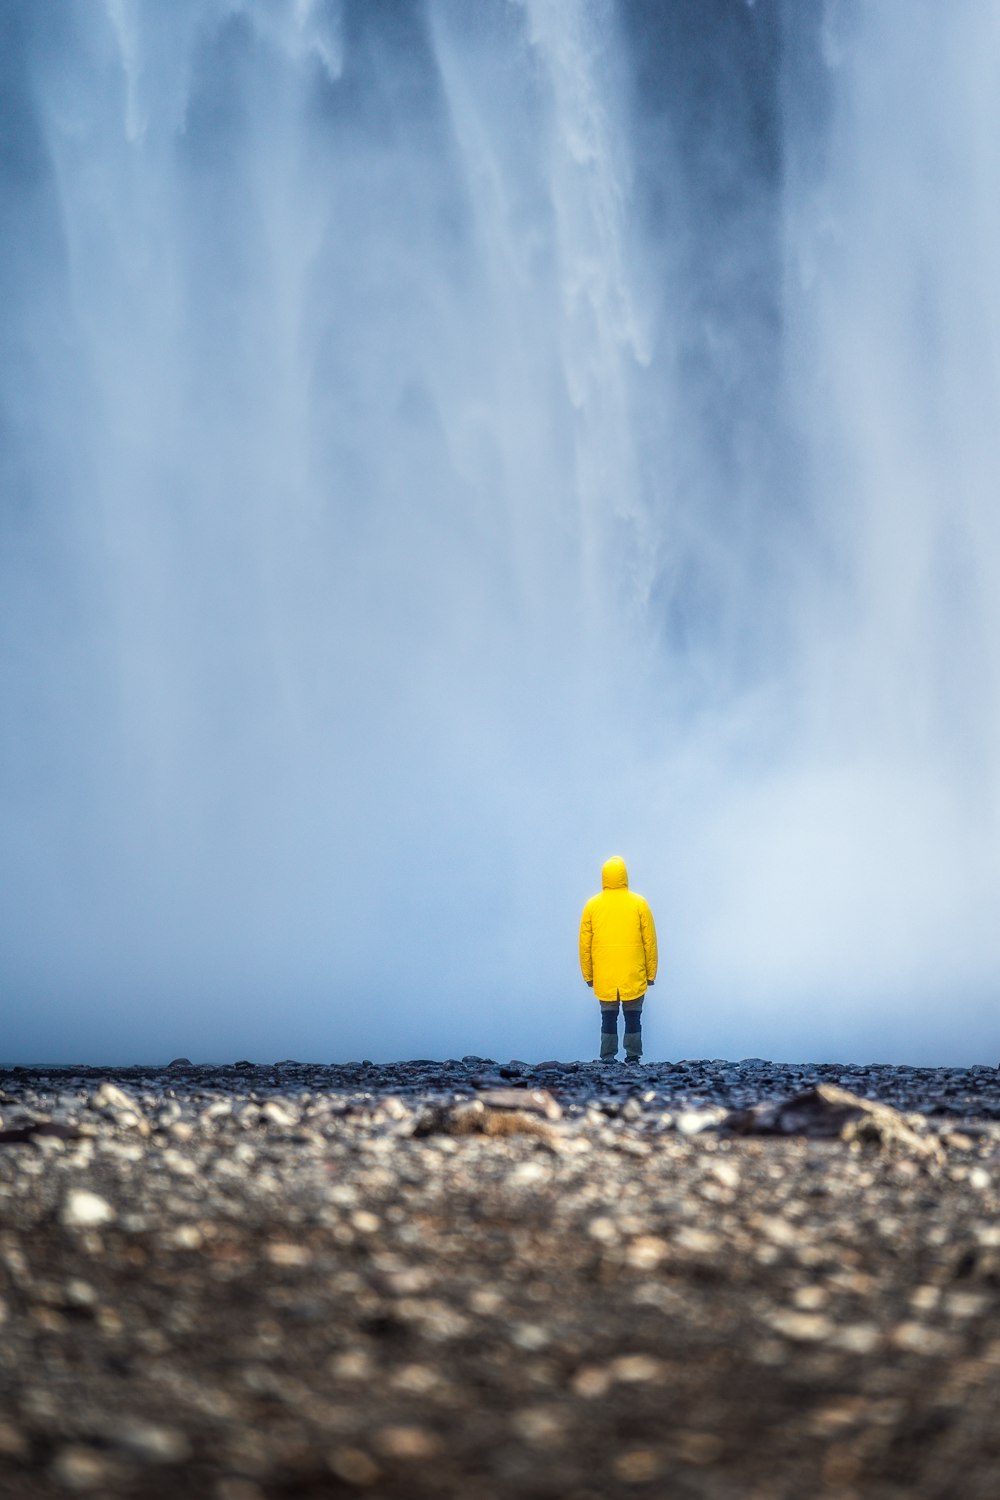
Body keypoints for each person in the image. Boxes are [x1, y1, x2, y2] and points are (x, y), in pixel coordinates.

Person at [579, 856, 658, 1064]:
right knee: (633, 1016)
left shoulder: (592, 905)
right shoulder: (639, 903)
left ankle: (607, 1056)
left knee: (608, 1016)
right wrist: (651, 974)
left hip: (604, 974)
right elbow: (649, 941)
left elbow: (584, 945)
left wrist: (588, 975)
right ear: (624, 876)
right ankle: (633, 1056)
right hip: (634, 972)